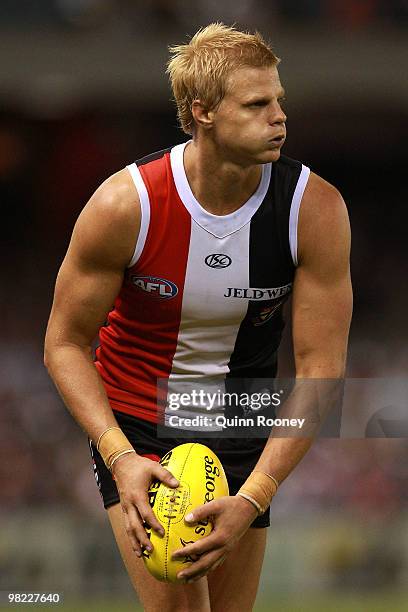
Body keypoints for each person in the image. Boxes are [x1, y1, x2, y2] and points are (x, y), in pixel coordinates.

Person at [44, 23, 352, 612]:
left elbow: (321, 369)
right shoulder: (125, 204)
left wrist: (254, 496)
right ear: (202, 112)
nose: (279, 116)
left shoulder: (314, 210)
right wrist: (119, 456)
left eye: (279, 100)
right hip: (139, 421)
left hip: (242, 414)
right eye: (258, 104)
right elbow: (64, 343)